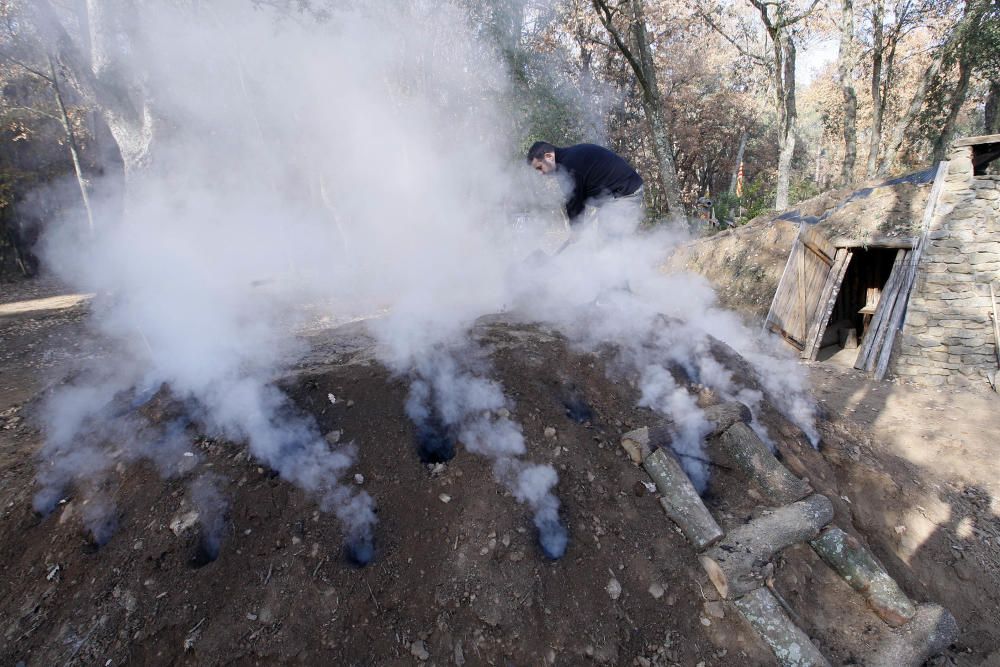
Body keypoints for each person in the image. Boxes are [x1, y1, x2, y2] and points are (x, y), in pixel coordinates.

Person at [526, 141, 644, 227]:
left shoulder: (568, 164)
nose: (541, 173)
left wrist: (576, 230)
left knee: (610, 242)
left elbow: (574, 200)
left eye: (540, 167)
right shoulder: (568, 159)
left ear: (549, 156)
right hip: (617, 195)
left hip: (626, 193)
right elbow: (576, 198)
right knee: (606, 241)